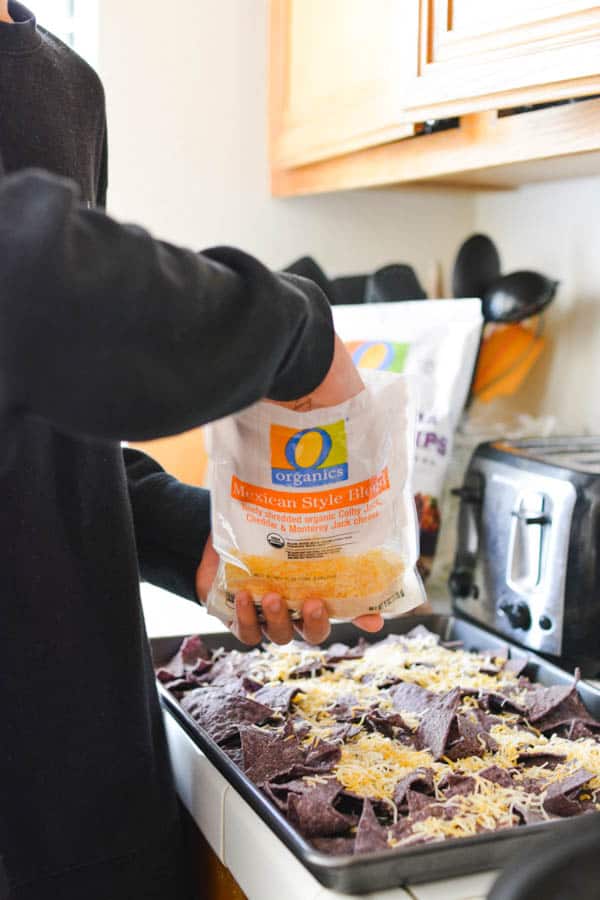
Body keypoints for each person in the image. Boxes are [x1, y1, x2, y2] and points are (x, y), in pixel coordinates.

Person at [0, 4, 382, 898]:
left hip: (92, 789)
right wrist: (297, 335)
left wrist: (194, 538)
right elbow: (25, 282)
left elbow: (38, 409)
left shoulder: (61, 78)